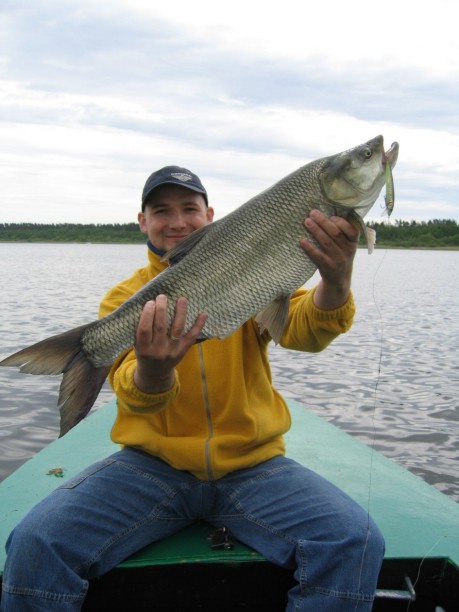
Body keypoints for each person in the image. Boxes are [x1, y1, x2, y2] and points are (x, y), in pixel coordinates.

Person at [1, 166, 384, 611]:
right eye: (161, 211)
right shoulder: (124, 298)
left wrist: (335, 282)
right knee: (36, 541)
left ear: (211, 216)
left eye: (189, 209)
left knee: (355, 540)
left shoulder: (255, 266)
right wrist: (155, 371)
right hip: (151, 467)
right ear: (142, 221)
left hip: (253, 466)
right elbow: (130, 388)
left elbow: (303, 331)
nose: (178, 221)